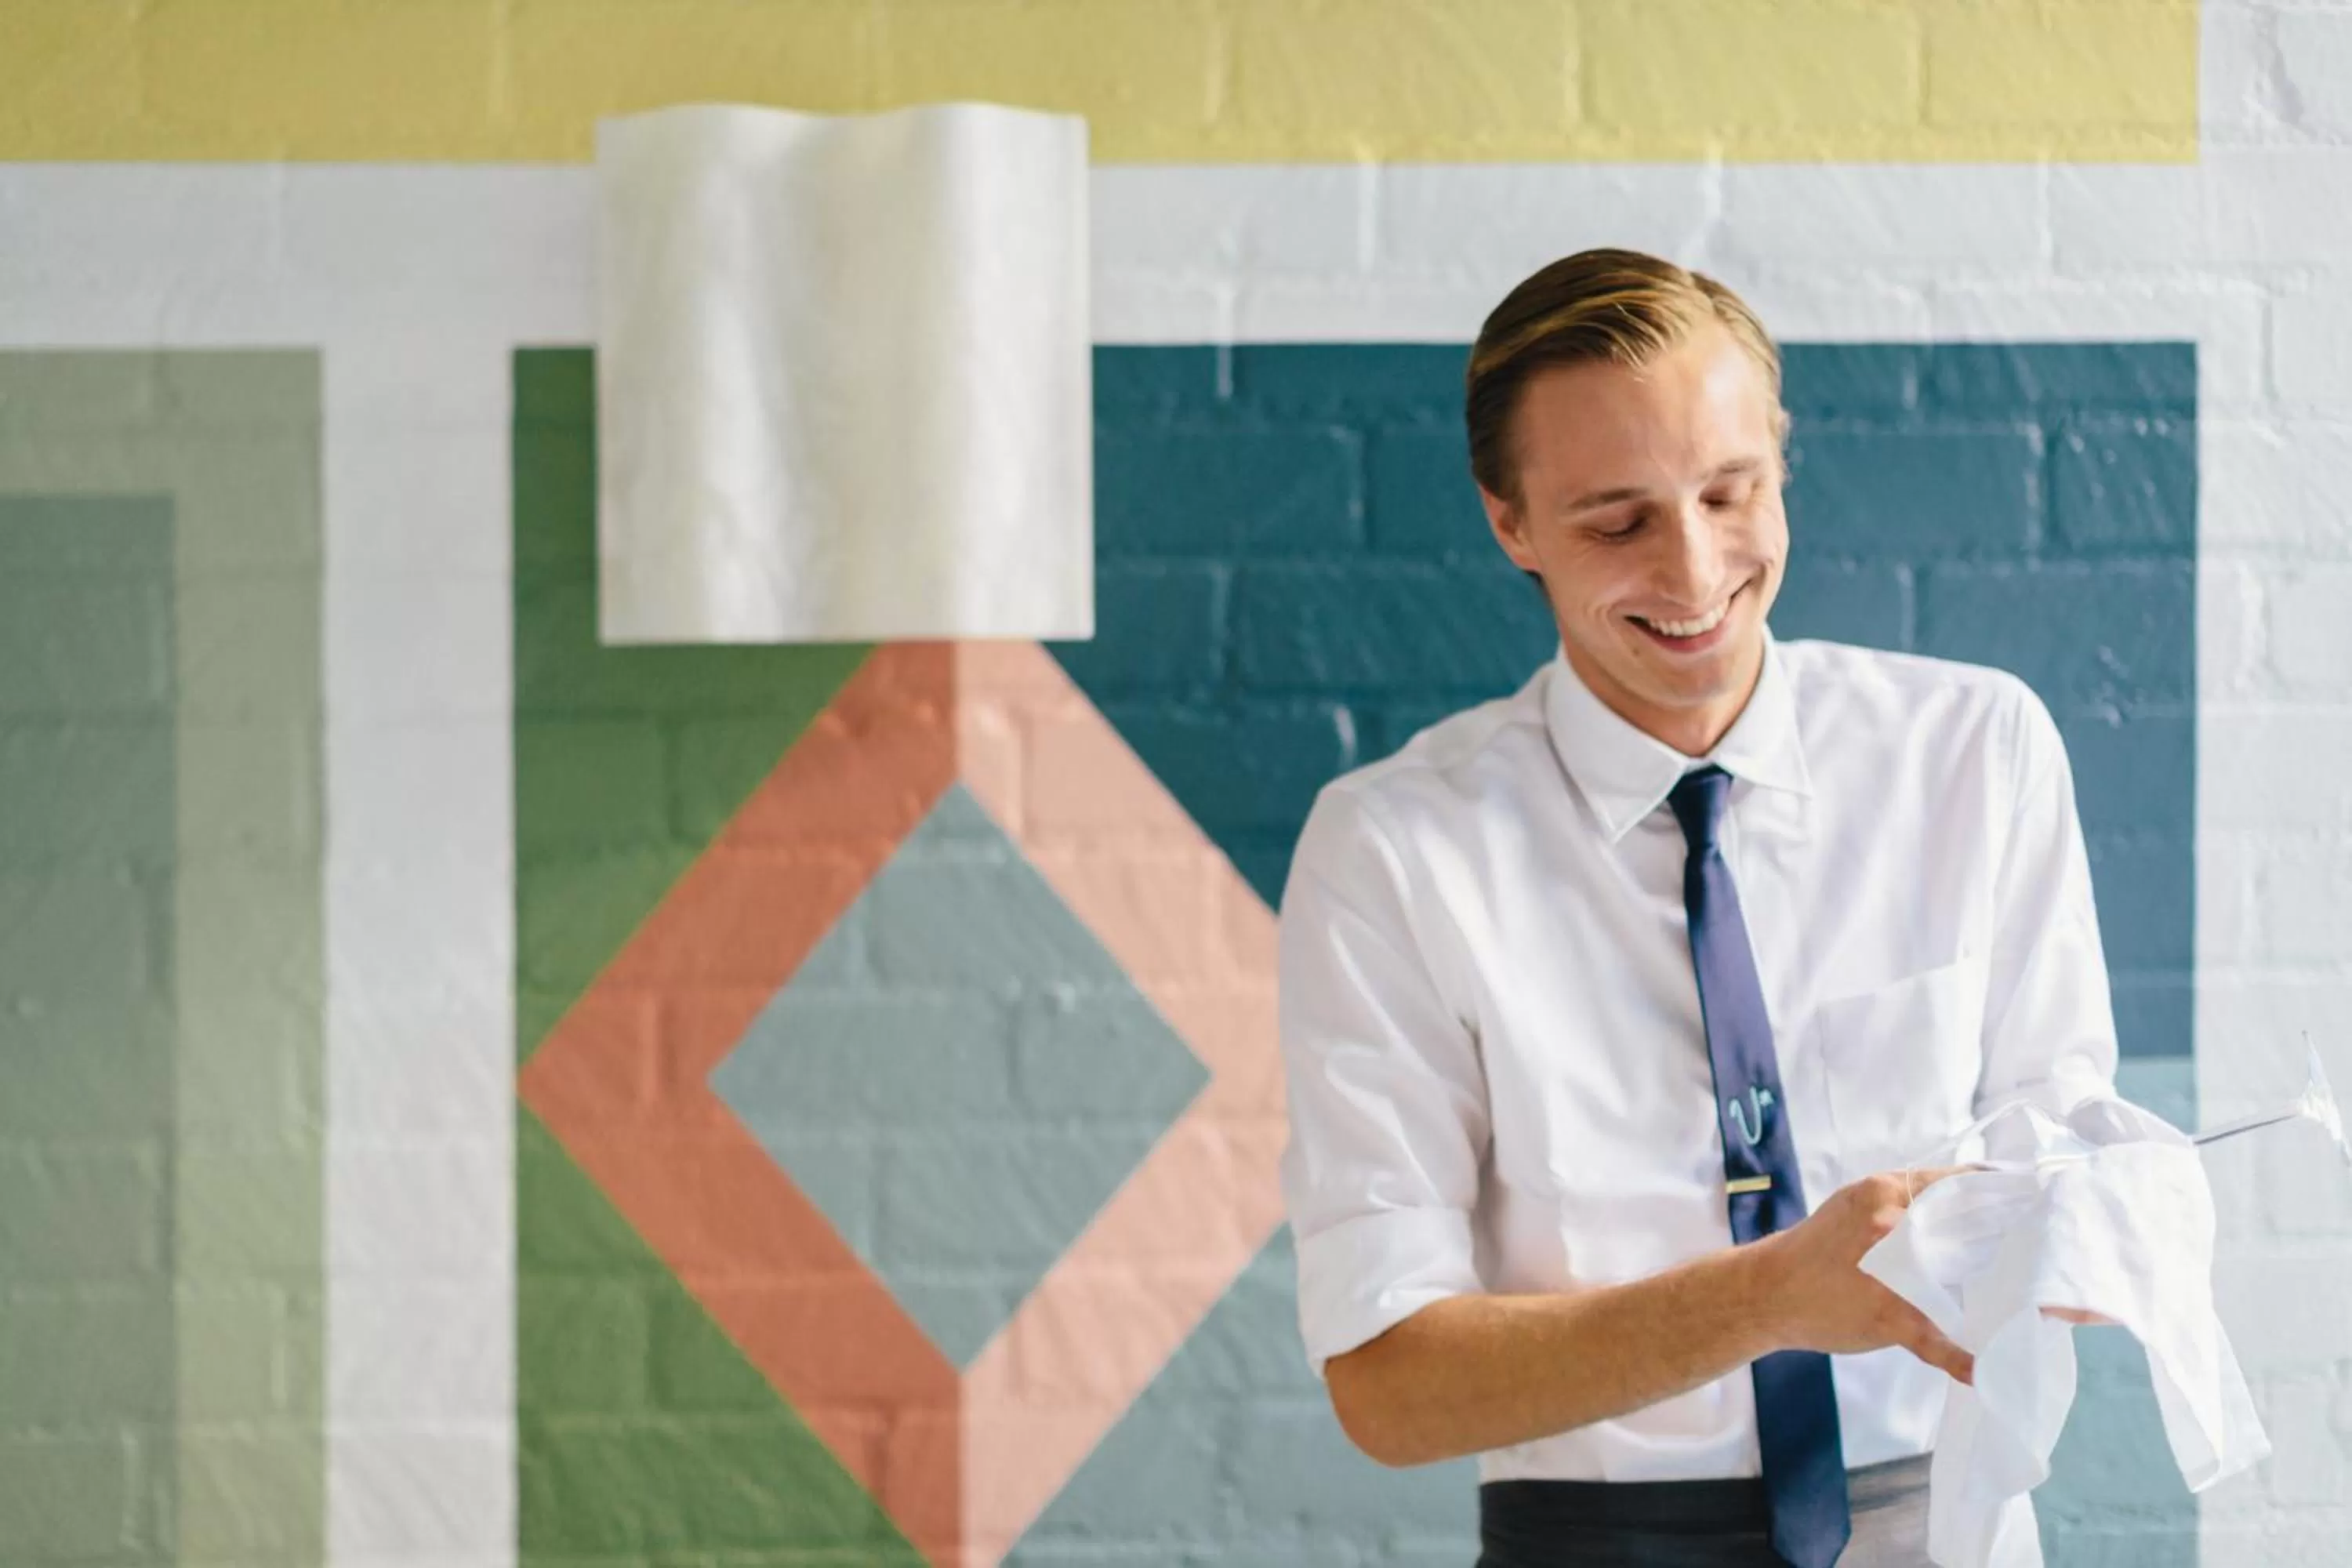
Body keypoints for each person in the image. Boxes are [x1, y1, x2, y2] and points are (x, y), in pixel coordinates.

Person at [1276, 249, 2120, 1567]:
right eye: (1617, 523)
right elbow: (1388, 1387)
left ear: (1781, 456)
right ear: (1511, 524)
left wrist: (2107, 1229)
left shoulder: (1979, 750)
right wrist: (1769, 1298)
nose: (1693, 570)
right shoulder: (1390, 849)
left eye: (1731, 492)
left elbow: (2065, 1171)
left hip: (1951, 1527)